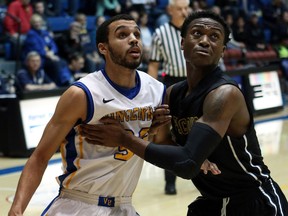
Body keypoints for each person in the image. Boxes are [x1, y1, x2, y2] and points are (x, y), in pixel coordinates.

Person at [80, 10, 288, 216]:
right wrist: (194, 155)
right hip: (211, 202)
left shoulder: (224, 94)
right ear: (182, 42)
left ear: (223, 50)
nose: (205, 41)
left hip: (253, 201)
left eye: (214, 37)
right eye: (197, 33)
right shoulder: (173, 94)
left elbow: (187, 165)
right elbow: (162, 142)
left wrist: (124, 138)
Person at [8, 14, 166, 216]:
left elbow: (163, 145)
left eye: (136, 33)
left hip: (124, 205)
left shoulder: (156, 90)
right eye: (123, 35)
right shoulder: (82, 94)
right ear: (103, 48)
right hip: (79, 204)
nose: (134, 39)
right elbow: (40, 157)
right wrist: (17, 208)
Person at [148, 0, 190, 195]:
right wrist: (150, 93)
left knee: (204, 130)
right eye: (179, 9)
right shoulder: (160, 33)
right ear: (169, 10)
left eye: (186, 8)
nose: (184, 12)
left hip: (197, 83)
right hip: (173, 85)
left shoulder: (195, 28)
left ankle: (211, 176)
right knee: (169, 135)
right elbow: (154, 66)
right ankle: (170, 181)